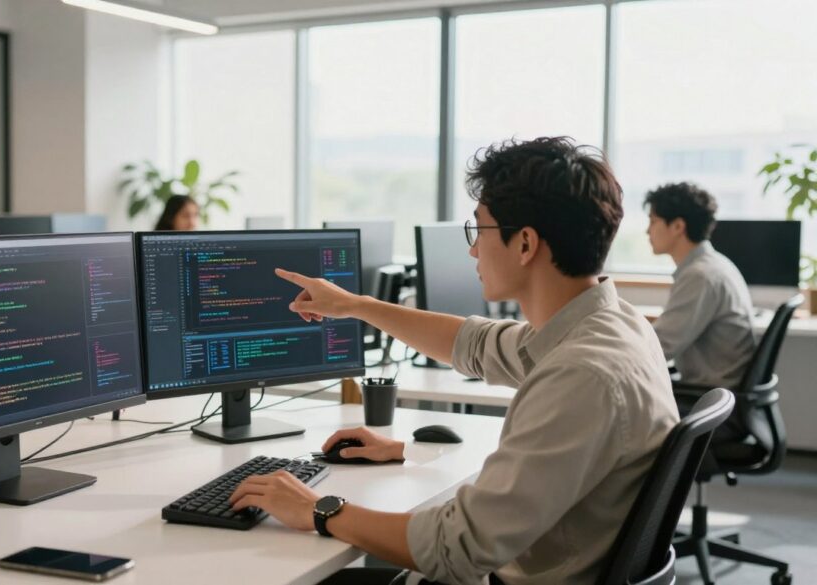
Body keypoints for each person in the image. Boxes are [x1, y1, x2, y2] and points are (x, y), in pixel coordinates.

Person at [229, 137, 679, 585]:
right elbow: (476, 345)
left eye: (478, 231)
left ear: (525, 244)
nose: (472, 250)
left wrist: (320, 509)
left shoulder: (582, 374)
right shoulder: (613, 325)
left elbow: (455, 548)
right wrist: (356, 306)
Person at [645, 182, 756, 391]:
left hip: (708, 396)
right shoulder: (714, 264)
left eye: (652, 221)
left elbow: (659, 346)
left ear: (678, 226)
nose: (647, 231)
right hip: (718, 390)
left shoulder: (700, 276)